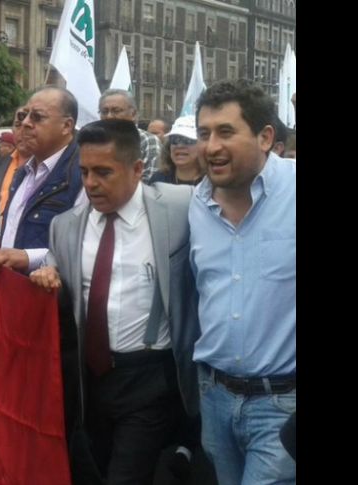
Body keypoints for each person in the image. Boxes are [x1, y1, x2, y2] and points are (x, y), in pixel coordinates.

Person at [30, 119, 200, 484]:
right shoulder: (66, 225)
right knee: (92, 471)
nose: (90, 183)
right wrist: (45, 272)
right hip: (90, 383)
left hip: (150, 377)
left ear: (138, 169)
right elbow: (54, 265)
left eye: (104, 172)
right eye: (85, 171)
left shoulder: (179, 206)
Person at [190, 79, 296, 485]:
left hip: (282, 406)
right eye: (204, 133)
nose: (211, 146)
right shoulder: (193, 206)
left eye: (226, 132)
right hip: (213, 399)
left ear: (266, 137)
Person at [0, 86, 84, 276]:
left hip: (53, 299)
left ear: (67, 126)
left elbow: (85, 246)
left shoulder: (83, 174)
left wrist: (28, 258)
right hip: (13, 291)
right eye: (24, 115)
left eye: (37, 117)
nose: (25, 123)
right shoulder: (22, 172)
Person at [99, 89, 162, 183]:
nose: (109, 116)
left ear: (133, 114)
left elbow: (150, 182)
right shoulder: (94, 142)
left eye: (116, 111)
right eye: (104, 112)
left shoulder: (148, 141)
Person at [150, 115, 205, 186]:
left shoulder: (211, 183)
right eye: (175, 139)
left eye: (187, 140)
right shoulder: (158, 179)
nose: (179, 146)